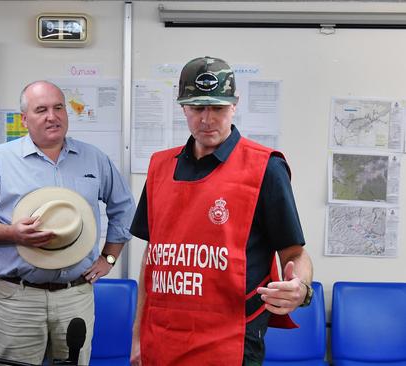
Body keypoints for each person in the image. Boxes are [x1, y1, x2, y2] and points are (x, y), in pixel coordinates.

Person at [129, 57, 313, 366]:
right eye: (197, 108)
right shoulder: (161, 167)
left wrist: (301, 288)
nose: (206, 119)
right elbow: (153, 257)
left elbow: (294, 252)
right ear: (182, 107)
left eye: (217, 108)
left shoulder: (266, 168)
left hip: (232, 339)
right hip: (163, 336)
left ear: (235, 105)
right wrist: (137, 334)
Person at [0, 80, 135, 365]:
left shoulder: (94, 159)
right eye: (41, 110)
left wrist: (109, 259)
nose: (52, 116)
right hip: (18, 297)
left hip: (75, 294)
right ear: (25, 119)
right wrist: (13, 233)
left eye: (58, 108)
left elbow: (124, 208)